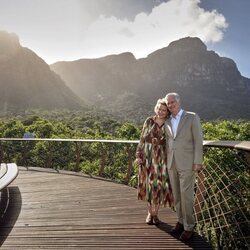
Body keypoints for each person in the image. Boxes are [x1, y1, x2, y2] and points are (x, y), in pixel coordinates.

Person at [164, 92, 203, 241]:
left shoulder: (192, 117)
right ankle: (180, 221)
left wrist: (198, 161)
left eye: (172, 102)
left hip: (188, 163)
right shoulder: (168, 121)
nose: (171, 105)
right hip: (172, 163)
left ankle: (189, 227)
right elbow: (169, 142)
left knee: (186, 196)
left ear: (179, 101)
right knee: (177, 196)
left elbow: (198, 140)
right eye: (168, 103)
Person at [135, 98, 173, 225]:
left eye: (164, 110)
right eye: (159, 109)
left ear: (167, 111)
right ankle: (149, 213)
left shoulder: (169, 122)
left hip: (162, 159)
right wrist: (138, 154)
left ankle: (155, 214)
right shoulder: (149, 121)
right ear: (155, 108)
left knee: (159, 186)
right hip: (147, 157)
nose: (161, 112)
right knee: (148, 186)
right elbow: (142, 138)